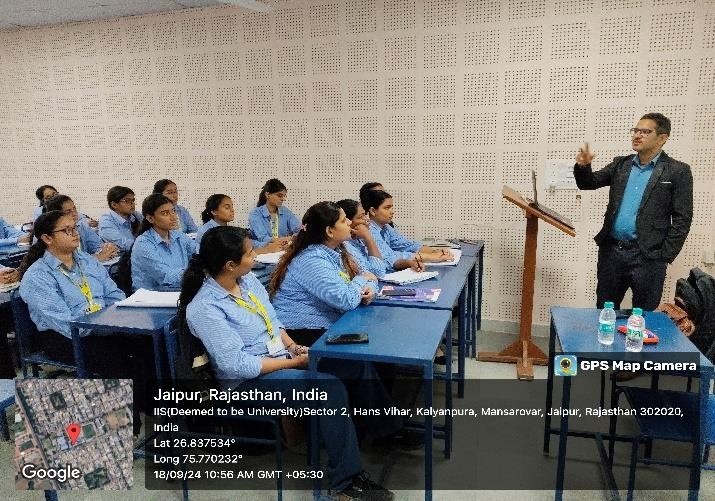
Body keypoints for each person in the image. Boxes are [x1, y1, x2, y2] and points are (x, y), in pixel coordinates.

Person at [179, 225, 399, 500]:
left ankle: (385, 432)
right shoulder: (205, 308)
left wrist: (294, 348)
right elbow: (237, 365)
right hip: (248, 382)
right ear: (230, 265)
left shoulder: (247, 281)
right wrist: (294, 364)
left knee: (353, 364)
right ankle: (345, 483)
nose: (256, 257)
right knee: (328, 390)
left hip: (280, 359)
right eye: (250, 253)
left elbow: (273, 322)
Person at [17, 211, 152, 434]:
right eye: (66, 230)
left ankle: (146, 403)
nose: (75, 234)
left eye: (75, 228)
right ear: (47, 238)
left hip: (103, 323)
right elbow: (63, 321)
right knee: (112, 355)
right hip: (62, 335)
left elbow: (115, 294)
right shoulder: (37, 276)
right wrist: (99, 321)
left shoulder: (88, 261)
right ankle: (126, 424)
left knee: (144, 343)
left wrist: (108, 318)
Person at [574, 112, 693, 311]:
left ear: (662, 138)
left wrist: (664, 255)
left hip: (648, 256)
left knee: (643, 314)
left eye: (645, 132)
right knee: (605, 309)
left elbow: (683, 218)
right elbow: (588, 183)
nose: (637, 135)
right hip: (612, 252)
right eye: (635, 130)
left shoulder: (678, 171)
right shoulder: (621, 164)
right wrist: (583, 166)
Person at [270, 202, 379, 347]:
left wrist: (371, 288)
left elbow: (370, 274)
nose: (349, 222)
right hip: (302, 333)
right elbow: (346, 300)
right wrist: (362, 279)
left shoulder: (336, 250)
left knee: (376, 337)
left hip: (330, 322)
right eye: (343, 220)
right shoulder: (311, 260)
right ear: (329, 231)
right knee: (371, 345)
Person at [361, 190, 454, 267]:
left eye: (392, 207)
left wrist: (435, 251)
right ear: (373, 211)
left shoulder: (386, 227)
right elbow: (390, 258)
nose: (392, 212)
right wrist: (432, 257)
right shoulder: (369, 230)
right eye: (387, 208)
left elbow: (408, 245)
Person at [335, 199, 423, 277]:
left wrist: (409, 263)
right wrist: (368, 238)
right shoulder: (347, 245)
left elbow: (388, 261)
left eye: (365, 214)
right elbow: (378, 272)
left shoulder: (360, 239)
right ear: (349, 222)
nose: (367, 219)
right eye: (361, 217)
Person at [131, 194, 197, 291]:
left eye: (173, 211)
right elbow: (165, 276)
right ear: (150, 218)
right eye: (165, 213)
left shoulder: (178, 236)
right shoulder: (143, 243)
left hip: (179, 291)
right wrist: (196, 272)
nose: (173, 217)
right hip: (153, 296)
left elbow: (198, 251)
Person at [43, 195, 118, 263]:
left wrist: (107, 249)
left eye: (74, 208)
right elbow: (70, 263)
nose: (74, 213)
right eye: (68, 211)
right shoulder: (55, 235)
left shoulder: (81, 226)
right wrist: (97, 258)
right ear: (57, 215)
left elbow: (97, 246)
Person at [248, 179, 301, 251]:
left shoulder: (285, 211)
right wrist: (285, 239)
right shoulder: (255, 214)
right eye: (280, 195)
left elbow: (299, 229)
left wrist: (292, 238)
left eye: (284, 196)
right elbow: (263, 238)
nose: (283, 199)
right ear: (267, 195)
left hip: (283, 250)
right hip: (265, 251)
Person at [98, 186, 142, 252]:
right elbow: (125, 245)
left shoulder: (136, 215)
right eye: (127, 201)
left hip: (137, 253)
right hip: (121, 257)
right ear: (114, 205)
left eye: (133, 200)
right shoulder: (106, 222)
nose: (132, 204)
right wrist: (147, 246)